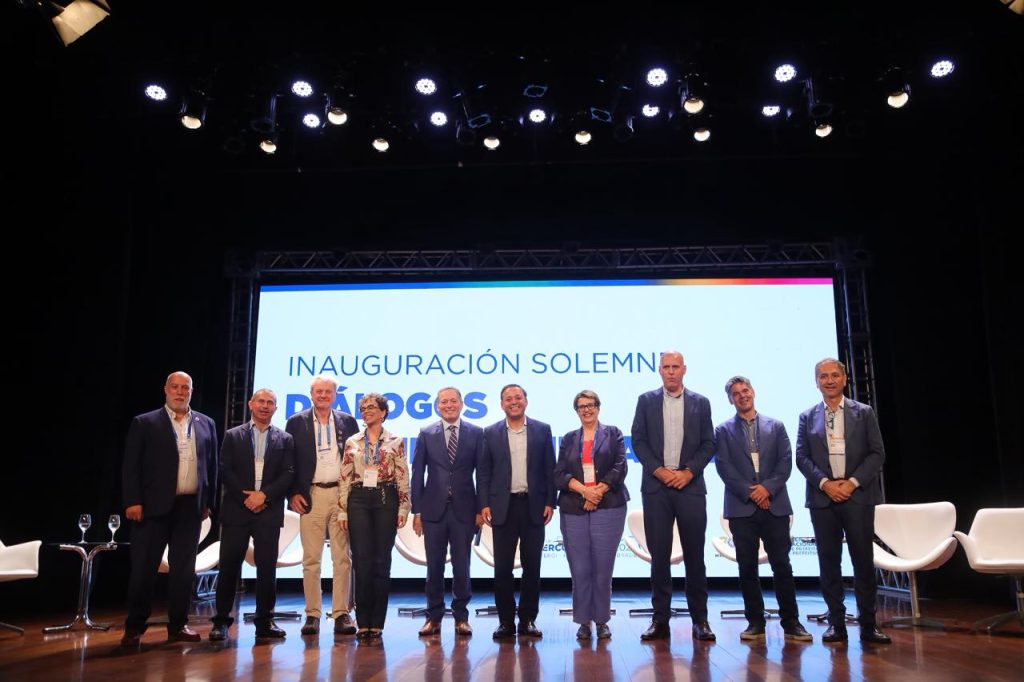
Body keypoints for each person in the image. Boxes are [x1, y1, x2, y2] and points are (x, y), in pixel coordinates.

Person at [795, 358, 891, 644]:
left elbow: (877, 453)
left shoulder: (864, 413)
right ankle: (836, 623)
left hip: (857, 496)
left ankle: (868, 625)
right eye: (823, 376)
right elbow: (802, 457)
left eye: (834, 375)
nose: (829, 380)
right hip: (823, 498)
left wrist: (851, 483)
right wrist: (826, 484)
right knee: (829, 562)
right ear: (816, 382)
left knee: (862, 561)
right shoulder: (807, 416)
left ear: (845, 379)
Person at [121, 371, 219, 647]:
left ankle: (178, 625)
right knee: (144, 570)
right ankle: (134, 627)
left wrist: (207, 502)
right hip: (152, 508)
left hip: (190, 508)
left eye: (185, 388)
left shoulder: (205, 423)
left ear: (191, 391)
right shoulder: (145, 422)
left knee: (183, 571)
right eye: (175, 387)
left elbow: (211, 466)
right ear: (165, 389)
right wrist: (133, 501)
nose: (180, 392)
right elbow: (131, 466)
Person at [712, 376, 812, 643]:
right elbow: (724, 468)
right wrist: (752, 493)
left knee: (782, 566)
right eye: (736, 393)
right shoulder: (722, 431)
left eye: (745, 390)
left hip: (774, 506)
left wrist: (766, 489)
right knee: (747, 569)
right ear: (730, 399)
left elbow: (785, 462)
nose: (742, 396)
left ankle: (791, 622)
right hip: (742, 509)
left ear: (753, 392)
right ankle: (755, 622)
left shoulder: (776, 426)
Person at [630, 351, 716, 642]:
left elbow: (708, 444)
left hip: (690, 487)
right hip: (657, 488)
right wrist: (659, 471)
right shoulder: (646, 401)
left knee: (695, 556)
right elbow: (638, 441)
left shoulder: (701, 402)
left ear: (684, 369)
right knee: (659, 558)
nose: (670, 371)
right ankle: (660, 620)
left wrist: (688, 472)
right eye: (666, 367)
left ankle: (700, 620)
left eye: (675, 366)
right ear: (659, 370)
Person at [209, 388, 295, 642]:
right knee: (229, 567)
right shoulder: (233, 435)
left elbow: (288, 473)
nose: (265, 406)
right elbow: (225, 470)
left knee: (267, 569)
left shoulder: (285, 438)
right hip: (237, 510)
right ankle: (221, 621)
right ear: (250, 404)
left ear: (276, 408)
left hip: (268, 510)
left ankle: (264, 621)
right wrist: (247, 498)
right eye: (261, 401)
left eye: (270, 402)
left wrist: (264, 496)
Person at [479, 384, 556, 639]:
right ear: (502, 404)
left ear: (526, 400)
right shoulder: (490, 432)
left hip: (534, 506)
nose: (514, 402)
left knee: (532, 567)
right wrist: (484, 503)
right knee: (502, 569)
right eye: (508, 399)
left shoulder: (542, 430)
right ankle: (505, 622)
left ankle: (528, 620)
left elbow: (549, 468)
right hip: (503, 507)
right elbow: (484, 472)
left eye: (518, 397)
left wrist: (550, 501)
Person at [286, 374, 360, 636]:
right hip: (311, 496)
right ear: (311, 394)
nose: (323, 396)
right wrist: (292, 493)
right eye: (319, 391)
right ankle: (312, 614)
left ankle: (341, 613)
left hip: (341, 496)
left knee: (342, 558)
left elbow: (356, 462)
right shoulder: (296, 422)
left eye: (328, 392)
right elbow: (288, 461)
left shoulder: (348, 422)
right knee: (311, 559)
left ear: (335, 395)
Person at [553, 389, 629, 641]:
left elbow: (620, 467)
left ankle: (602, 620)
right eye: (581, 406)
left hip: (609, 506)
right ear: (576, 411)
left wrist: (598, 491)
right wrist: (585, 491)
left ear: (598, 407)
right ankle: (583, 621)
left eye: (590, 405)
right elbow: (559, 474)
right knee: (580, 569)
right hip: (573, 508)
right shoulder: (568, 438)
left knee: (603, 569)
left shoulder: (614, 433)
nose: (586, 409)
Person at [410, 387, 484, 637]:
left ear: (462, 404)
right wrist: (417, 511)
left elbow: (482, 474)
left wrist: (480, 508)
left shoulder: (476, 432)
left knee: (462, 567)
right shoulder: (426, 433)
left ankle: (461, 617)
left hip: (465, 510)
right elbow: (417, 474)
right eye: (444, 402)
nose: (449, 405)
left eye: (453, 401)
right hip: (433, 510)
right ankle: (433, 617)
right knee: (434, 568)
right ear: (437, 406)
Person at [338, 393, 411, 640]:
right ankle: (363, 621)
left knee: (381, 561)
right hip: (358, 499)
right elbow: (345, 477)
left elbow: (402, 475)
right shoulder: (352, 441)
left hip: (385, 498)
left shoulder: (395, 441)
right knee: (361, 560)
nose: (366, 411)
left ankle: (377, 622)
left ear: (383, 412)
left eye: (371, 407)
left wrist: (403, 508)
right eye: (363, 408)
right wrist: (342, 509)